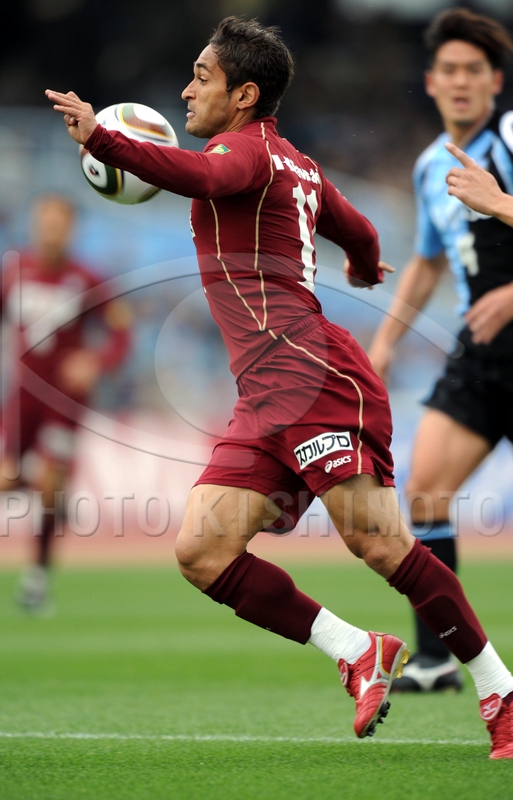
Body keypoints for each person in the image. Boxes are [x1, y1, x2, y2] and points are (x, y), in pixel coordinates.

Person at [47, 16, 513, 757]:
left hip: (309, 375)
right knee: (202, 551)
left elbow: (204, 177)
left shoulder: (242, 152)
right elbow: (359, 229)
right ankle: (357, 651)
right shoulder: (295, 163)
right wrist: (363, 265)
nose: (186, 89)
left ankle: (500, 692)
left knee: (380, 544)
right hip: (266, 393)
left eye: (201, 76)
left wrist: (103, 138)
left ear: (244, 95)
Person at [368, 7, 513, 694]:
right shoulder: (431, 166)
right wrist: (385, 342)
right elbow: (427, 261)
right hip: (482, 353)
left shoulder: (509, 139)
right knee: (424, 489)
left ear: (495, 82)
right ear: (430, 82)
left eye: (473, 70)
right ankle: (435, 660)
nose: (460, 81)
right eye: (448, 70)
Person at [0, 194, 131, 613]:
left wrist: (97, 361)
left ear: (71, 229)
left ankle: (37, 577)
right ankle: (56, 495)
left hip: (65, 402)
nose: (50, 230)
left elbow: (121, 333)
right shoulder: (14, 271)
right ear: (34, 225)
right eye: (44, 222)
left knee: (49, 484)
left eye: (58, 223)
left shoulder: (88, 279)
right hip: (20, 399)